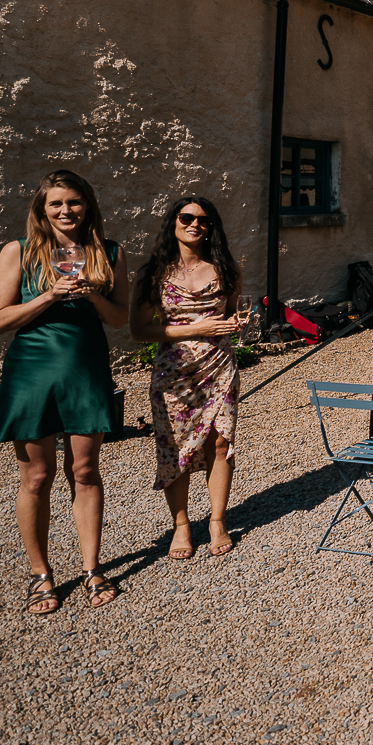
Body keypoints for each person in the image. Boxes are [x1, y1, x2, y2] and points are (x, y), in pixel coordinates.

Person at [0, 170, 130, 614]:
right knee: (36, 477)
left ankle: (91, 568)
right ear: (41, 209)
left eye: (74, 202)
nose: (66, 211)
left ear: (87, 206)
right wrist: (49, 296)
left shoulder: (108, 252)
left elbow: (119, 318)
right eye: (56, 204)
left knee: (85, 471)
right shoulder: (19, 251)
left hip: (85, 369)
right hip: (31, 371)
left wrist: (91, 296)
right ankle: (40, 573)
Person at [131, 196, 243, 561]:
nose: (195, 224)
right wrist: (192, 329)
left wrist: (236, 324)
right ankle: (181, 525)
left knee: (219, 445)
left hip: (218, 367)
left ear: (212, 228)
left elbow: (232, 313)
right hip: (173, 374)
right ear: (174, 223)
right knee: (174, 450)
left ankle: (217, 520)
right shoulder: (153, 274)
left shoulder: (226, 270)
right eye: (187, 217)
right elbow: (139, 330)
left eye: (204, 220)